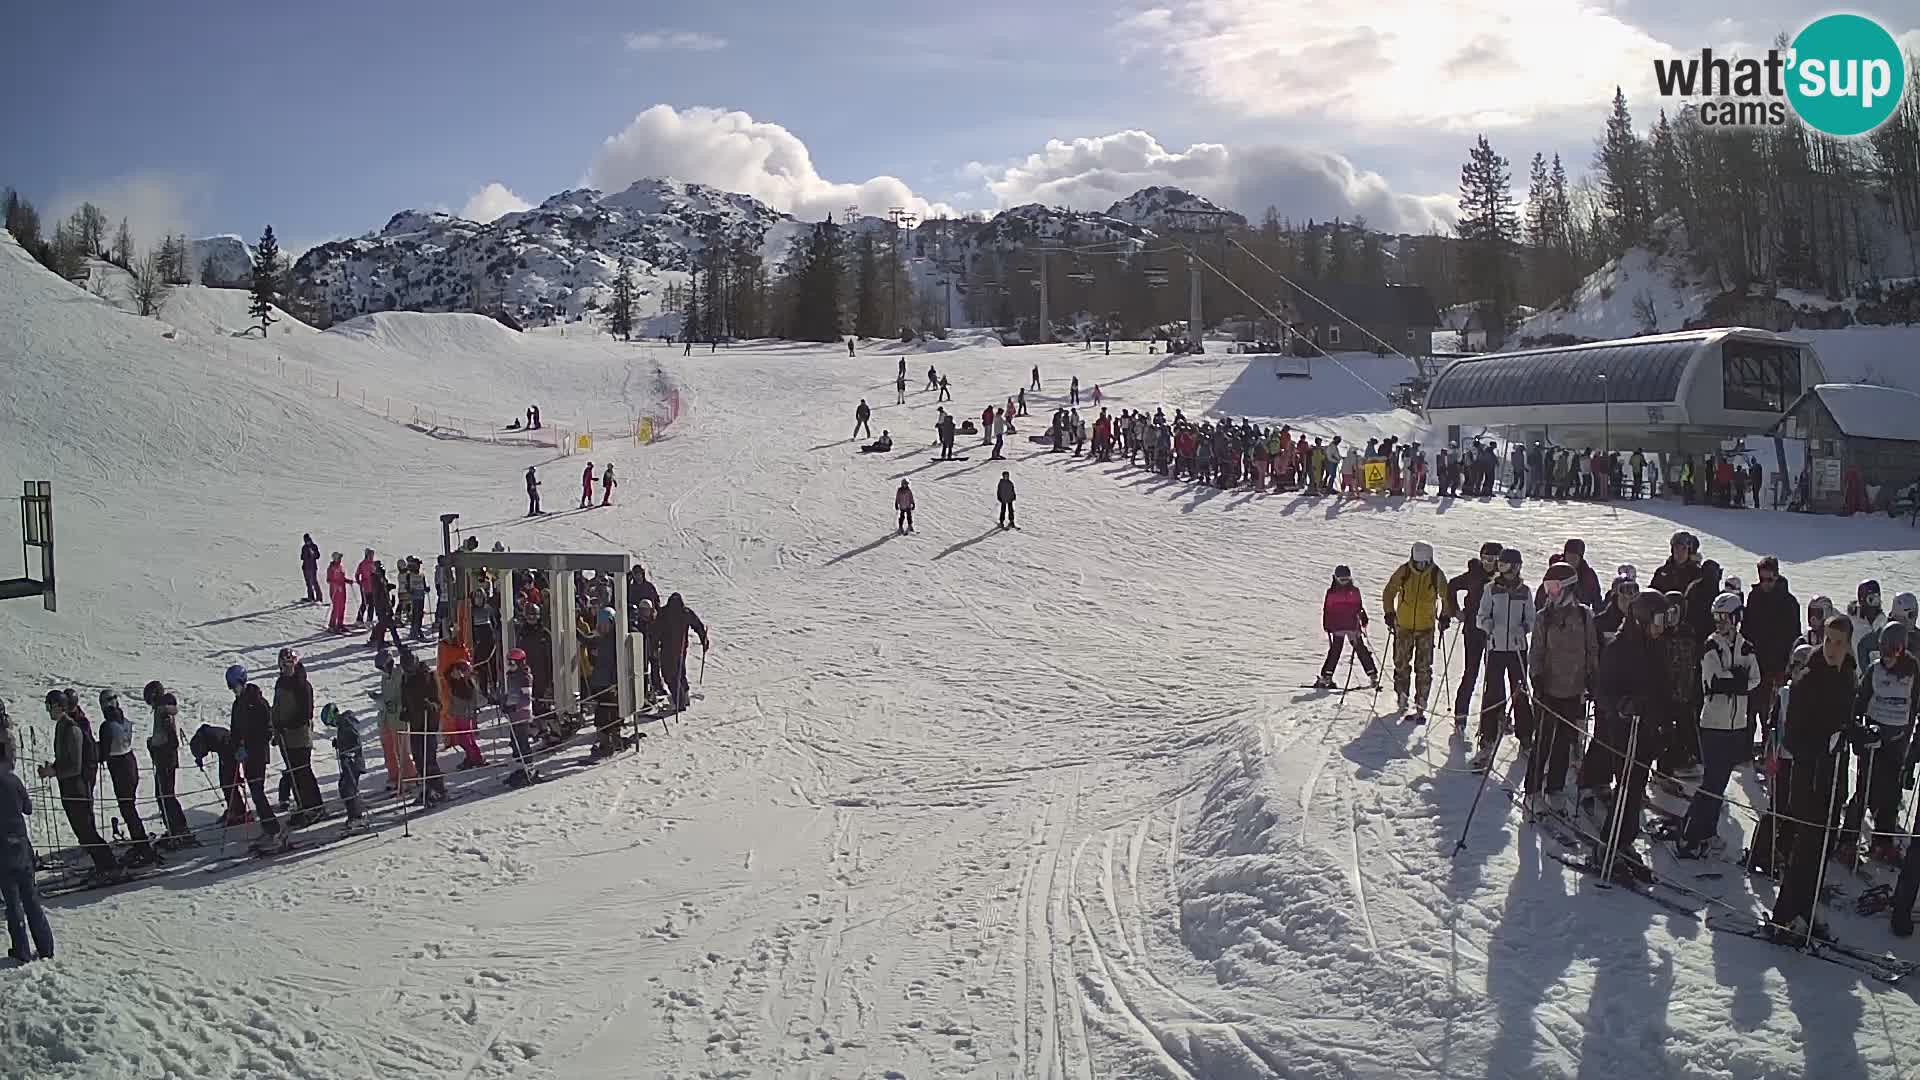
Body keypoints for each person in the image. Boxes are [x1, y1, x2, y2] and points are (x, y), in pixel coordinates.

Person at [1770, 616, 1858, 942]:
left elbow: (1844, 724)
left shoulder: (1848, 676)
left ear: (1848, 643)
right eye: (1828, 640)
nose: (1833, 648)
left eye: (1839, 642)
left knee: (1824, 850)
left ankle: (1806, 913)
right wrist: (1825, 744)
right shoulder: (1809, 679)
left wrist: (1859, 735)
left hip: (1833, 779)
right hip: (1808, 780)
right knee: (1805, 851)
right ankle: (1784, 917)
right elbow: (1792, 738)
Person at [1677, 592, 1761, 858]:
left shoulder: (1746, 646)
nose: (1720, 622)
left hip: (1736, 724)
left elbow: (1754, 679)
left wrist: (1736, 681)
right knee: (1711, 781)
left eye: (1724, 617)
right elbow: (1715, 681)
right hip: (1714, 723)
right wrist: (1737, 681)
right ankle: (1690, 832)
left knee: (1720, 782)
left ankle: (1707, 831)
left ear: (1737, 618)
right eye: (1717, 617)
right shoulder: (1711, 646)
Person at [1527, 561, 1597, 808]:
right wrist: (1536, 677)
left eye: (1555, 587)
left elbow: (1591, 649)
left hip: (1573, 689)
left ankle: (1555, 787)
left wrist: (1592, 677)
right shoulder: (1543, 617)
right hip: (1549, 689)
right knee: (1543, 740)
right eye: (1548, 587)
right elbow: (1535, 651)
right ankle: (1533, 789)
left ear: (1568, 588)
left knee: (1564, 742)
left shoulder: (1584, 615)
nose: (1550, 592)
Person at [1848, 619, 1917, 864]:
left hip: (1897, 742)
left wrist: (1913, 744)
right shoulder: (1874, 670)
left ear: (1902, 649)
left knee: (1890, 794)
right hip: (1874, 739)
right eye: (1884, 650)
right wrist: (1859, 733)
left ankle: (1882, 842)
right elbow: (1859, 703)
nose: (1887, 657)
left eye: (1893, 651)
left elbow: (1915, 706)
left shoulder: (1912, 672)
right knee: (1865, 790)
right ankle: (1848, 840)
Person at [39, 692, 117, 879]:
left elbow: (75, 765)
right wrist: (53, 767)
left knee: (86, 830)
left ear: (59, 706)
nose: (48, 710)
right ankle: (103, 865)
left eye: (50, 705)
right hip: (68, 786)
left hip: (77, 786)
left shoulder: (72, 729)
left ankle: (109, 865)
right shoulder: (61, 727)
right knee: (80, 830)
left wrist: (54, 771)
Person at [1381, 541, 1457, 722]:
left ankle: (1421, 700)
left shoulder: (1436, 574)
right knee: (1401, 663)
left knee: (1423, 667)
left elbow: (1445, 596)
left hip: (1426, 627)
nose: (1420, 566)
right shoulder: (1405, 571)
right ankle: (1402, 695)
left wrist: (1445, 616)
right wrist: (1389, 613)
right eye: (1418, 562)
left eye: (1424, 562)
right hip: (1404, 625)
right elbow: (1389, 591)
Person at [1475, 548, 1535, 769]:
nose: (1501, 568)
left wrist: (1524, 628)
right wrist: (1487, 624)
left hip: (1517, 649)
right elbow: (1480, 617)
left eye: (1504, 564)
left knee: (1520, 692)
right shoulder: (1491, 589)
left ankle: (1526, 738)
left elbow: (1532, 617)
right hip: (1496, 647)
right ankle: (1487, 738)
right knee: (1493, 693)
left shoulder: (1525, 591)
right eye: (1499, 564)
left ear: (1516, 567)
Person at [97, 690, 159, 867]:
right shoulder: (123, 720)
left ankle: (142, 847)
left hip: (119, 766)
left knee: (127, 808)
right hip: (130, 762)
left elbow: (104, 752)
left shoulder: (107, 725)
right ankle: (140, 844)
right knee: (130, 806)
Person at [0, 766, 53, 963]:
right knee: (31, 899)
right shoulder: (13, 780)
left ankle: (21, 950)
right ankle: (46, 946)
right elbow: (28, 809)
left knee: (13, 903)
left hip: (2, 850)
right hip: (21, 846)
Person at [226, 665, 283, 848]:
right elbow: (234, 729)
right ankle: (268, 828)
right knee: (255, 791)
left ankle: (273, 830)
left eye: (234, 685)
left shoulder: (257, 702)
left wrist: (249, 746)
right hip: (246, 755)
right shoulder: (238, 704)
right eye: (230, 686)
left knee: (257, 791)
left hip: (257, 753)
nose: (232, 689)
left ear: (242, 682)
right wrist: (237, 747)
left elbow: (267, 730)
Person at [1743, 557, 1799, 742]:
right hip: (1755, 663)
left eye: (1769, 579)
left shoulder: (1789, 602)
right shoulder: (1755, 596)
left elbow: (1793, 637)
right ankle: (1746, 750)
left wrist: (1787, 666)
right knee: (1750, 710)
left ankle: (1770, 751)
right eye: (1762, 579)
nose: (1765, 584)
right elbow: (1747, 628)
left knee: (1771, 714)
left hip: (1777, 666)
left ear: (1777, 576)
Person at [1449, 542, 1503, 729]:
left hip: (1495, 633)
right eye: (1486, 559)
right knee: (1471, 672)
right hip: (1473, 631)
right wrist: (1455, 611)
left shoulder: (1503, 578)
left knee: (1494, 676)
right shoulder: (1474, 575)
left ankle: (1497, 716)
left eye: (1494, 560)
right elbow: (1452, 586)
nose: (1490, 563)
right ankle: (1460, 714)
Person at [272, 648, 326, 825]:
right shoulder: (281, 682)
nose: (286, 669)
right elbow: (278, 706)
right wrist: (276, 727)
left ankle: (315, 807)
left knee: (303, 772)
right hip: (285, 738)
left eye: (289, 665)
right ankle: (302, 806)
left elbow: (305, 713)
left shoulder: (302, 685)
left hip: (299, 736)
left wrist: (287, 725)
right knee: (293, 775)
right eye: (283, 665)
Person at [141, 683, 191, 846]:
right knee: (166, 794)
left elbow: (170, 738)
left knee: (164, 795)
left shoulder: (163, 713)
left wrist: (155, 746)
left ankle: (176, 831)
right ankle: (178, 829)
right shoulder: (163, 710)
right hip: (166, 757)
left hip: (165, 759)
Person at [1317, 565, 1381, 689]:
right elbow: (1327, 610)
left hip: (1352, 626)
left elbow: (1359, 607)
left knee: (1359, 650)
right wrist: (1327, 624)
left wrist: (1363, 618)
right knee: (1337, 651)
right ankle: (1327, 677)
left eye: (1347, 579)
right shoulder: (1333, 593)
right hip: (1339, 626)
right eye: (1342, 580)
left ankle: (1372, 675)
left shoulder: (1353, 591)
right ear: (1336, 578)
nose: (1344, 582)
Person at [399, 651, 448, 806]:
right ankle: (426, 788)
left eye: (411, 669)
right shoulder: (405, 679)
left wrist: (431, 706)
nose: (409, 672)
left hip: (428, 724)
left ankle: (438, 789)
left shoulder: (428, 676)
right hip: (415, 723)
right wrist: (405, 711)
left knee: (429, 758)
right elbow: (405, 698)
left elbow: (439, 703)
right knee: (418, 758)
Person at [654, 593, 710, 713]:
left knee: (670, 675)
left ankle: (679, 701)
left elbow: (656, 630)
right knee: (679, 671)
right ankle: (684, 696)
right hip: (680, 649)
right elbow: (698, 626)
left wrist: (653, 646)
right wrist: (704, 640)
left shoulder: (664, 613)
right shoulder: (685, 613)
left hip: (668, 650)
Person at [374, 652, 414, 794]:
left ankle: (410, 777)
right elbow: (387, 695)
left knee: (401, 750)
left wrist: (396, 705)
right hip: (386, 718)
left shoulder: (400, 674)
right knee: (388, 750)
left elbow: (406, 695)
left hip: (399, 718)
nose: (382, 670)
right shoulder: (384, 678)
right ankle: (394, 777)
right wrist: (379, 698)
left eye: (382, 667)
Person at [503, 648, 542, 787]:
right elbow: (512, 694)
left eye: (512, 662)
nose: (510, 665)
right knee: (516, 743)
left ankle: (530, 769)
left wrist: (514, 707)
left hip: (522, 714)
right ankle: (522, 768)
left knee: (522, 743)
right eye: (509, 662)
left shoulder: (524, 676)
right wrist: (504, 701)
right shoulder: (512, 675)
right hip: (514, 714)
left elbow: (526, 697)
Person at [322, 705, 365, 826]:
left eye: (331, 723)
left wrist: (351, 752)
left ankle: (356, 817)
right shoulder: (343, 723)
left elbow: (354, 737)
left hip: (352, 761)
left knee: (349, 788)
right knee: (344, 787)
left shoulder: (346, 721)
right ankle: (354, 815)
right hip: (348, 761)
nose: (333, 725)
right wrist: (339, 743)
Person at [443, 661, 488, 769]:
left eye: (456, 671)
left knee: (465, 738)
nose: (453, 674)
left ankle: (475, 758)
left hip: (465, 714)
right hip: (460, 714)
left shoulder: (467, 684)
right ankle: (472, 757)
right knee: (465, 738)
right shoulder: (455, 682)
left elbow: (470, 700)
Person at [1649, 531, 1702, 595]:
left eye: (1684, 548)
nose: (1679, 552)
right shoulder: (1662, 571)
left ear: (1690, 551)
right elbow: (1651, 593)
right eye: (1676, 548)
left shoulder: (1698, 573)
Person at [325, 552, 349, 633]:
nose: (340, 559)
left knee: (342, 607)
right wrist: (336, 584)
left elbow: (342, 578)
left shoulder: (340, 566)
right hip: (335, 590)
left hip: (342, 589)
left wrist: (347, 580)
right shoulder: (331, 568)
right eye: (339, 558)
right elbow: (328, 580)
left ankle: (340, 624)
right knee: (336, 608)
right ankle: (332, 625)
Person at [354, 548, 377, 626]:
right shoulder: (363, 564)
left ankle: (369, 619)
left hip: (373, 587)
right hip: (365, 587)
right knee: (364, 603)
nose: (372, 556)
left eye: (372, 555)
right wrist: (359, 582)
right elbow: (357, 574)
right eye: (370, 555)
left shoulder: (373, 564)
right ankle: (359, 619)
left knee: (372, 604)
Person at [300, 534, 322, 603]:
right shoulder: (304, 547)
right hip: (305, 567)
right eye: (305, 540)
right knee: (308, 583)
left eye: (308, 540)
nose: (307, 541)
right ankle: (311, 597)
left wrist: (313, 554)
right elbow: (302, 557)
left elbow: (318, 556)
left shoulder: (314, 546)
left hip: (312, 567)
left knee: (314, 582)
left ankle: (319, 597)